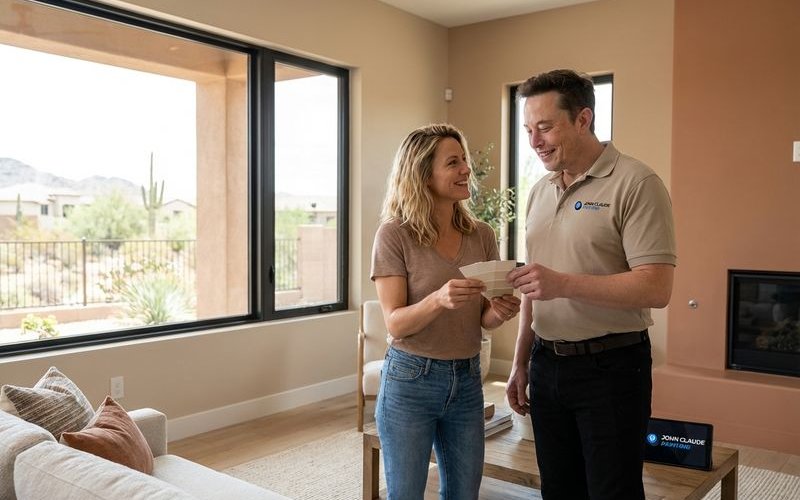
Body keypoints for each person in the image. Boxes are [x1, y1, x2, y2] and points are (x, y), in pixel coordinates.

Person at [505, 69, 676, 500]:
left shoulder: (637, 183)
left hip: (613, 369)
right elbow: (534, 287)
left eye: (545, 127)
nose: (534, 141)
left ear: (583, 119)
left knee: (612, 492)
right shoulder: (539, 191)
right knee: (558, 490)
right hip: (547, 364)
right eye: (528, 129)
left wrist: (562, 282)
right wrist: (521, 360)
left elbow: (656, 288)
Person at [371, 123, 521, 499]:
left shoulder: (482, 234)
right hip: (410, 381)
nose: (466, 170)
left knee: (463, 494)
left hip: (467, 380)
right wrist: (438, 299)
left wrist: (500, 312)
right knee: (405, 494)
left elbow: (482, 319)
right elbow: (395, 323)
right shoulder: (394, 234)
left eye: (465, 160)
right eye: (453, 162)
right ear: (423, 174)